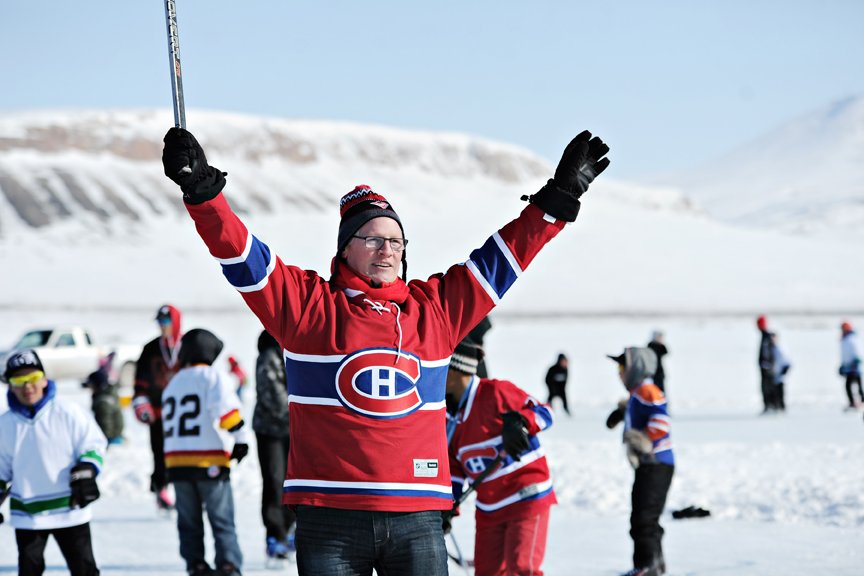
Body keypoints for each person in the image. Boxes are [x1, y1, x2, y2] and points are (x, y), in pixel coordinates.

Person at [161, 125, 610, 575]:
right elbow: (241, 255)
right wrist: (203, 193)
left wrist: (554, 202)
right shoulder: (308, 307)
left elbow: (501, 260)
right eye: (373, 238)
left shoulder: (433, 311)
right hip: (329, 516)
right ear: (345, 248)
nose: (387, 249)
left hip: (417, 516)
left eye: (395, 241)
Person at [446, 339, 556, 576]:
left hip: (526, 498)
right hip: (490, 508)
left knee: (522, 569)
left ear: (454, 371)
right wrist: (447, 508)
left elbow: (546, 413)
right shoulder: (449, 416)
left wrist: (522, 423)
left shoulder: (496, 393)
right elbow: (454, 467)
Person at [0, 350, 107, 576]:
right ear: (10, 385)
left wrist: (87, 469)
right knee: (29, 571)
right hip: (28, 514)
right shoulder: (6, 424)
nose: (27, 386)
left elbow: (93, 444)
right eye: (19, 381)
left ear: (45, 379)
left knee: (84, 570)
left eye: (33, 378)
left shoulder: (68, 412)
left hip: (70, 507)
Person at [162, 329, 249, 576]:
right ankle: (228, 566)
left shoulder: (174, 382)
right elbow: (226, 412)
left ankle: (196, 565)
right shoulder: (212, 377)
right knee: (221, 521)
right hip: (208, 460)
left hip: (177, 463)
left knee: (188, 523)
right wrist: (240, 438)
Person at [607, 348, 674, 576]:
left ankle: (646, 566)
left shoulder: (648, 390)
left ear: (635, 368)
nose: (619, 373)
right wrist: (623, 412)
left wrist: (643, 439)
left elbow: (661, 422)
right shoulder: (638, 393)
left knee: (643, 518)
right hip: (650, 465)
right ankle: (655, 562)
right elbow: (641, 412)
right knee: (646, 516)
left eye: (622, 368)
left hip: (657, 463)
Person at [133, 303, 183, 510]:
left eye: (166, 322)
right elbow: (140, 383)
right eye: (160, 322)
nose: (162, 327)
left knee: (182, 454)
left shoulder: (187, 347)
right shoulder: (150, 349)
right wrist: (142, 404)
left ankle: (185, 491)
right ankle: (161, 489)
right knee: (159, 452)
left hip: (183, 415)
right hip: (158, 414)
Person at [252, 329, 296, 559]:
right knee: (274, 479)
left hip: (295, 428)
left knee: (293, 481)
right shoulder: (270, 352)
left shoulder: (294, 346)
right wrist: (300, 414)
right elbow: (271, 393)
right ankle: (275, 534)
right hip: (271, 430)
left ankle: (289, 528)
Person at [83, 361, 125, 446]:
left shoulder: (103, 402)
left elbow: (105, 424)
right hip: (114, 434)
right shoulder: (106, 394)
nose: (90, 388)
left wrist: (104, 441)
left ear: (98, 385)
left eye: (91, 385)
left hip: (112, 437)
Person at [756, 315, 777, 413]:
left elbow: (769, 353)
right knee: (766, 387)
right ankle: (768, 406)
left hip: (768, 369)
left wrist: (767, 365)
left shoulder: (767, 337)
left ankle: (770, 406)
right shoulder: (765, 336)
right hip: (766, 368)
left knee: (768, 388)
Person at [839, 321, 862, 410]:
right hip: (848, 368)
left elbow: (857, 351)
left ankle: (860, 401)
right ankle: (853, 402)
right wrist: (843, 365)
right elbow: (845, 354)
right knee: (849, 386)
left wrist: (856, 362)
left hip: (854, 367)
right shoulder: (844, 340)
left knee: (857, 385)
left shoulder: (852, 339)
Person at [770, 333, 791, 412]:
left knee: (780, 393)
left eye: (773, 338)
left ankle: (782, 408)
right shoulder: (771, 349)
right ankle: (776, 407)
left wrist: (783, 372)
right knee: (774, 393)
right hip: (773, 375)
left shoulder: (780, 349)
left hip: (780, 375)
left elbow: (787, 362)